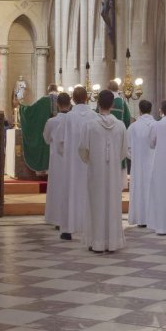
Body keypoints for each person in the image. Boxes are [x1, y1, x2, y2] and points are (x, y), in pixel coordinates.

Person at [78, 90, 128, 252]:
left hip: (96, 172)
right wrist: (112, 160)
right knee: (112, 205)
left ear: (98, 103)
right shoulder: (120, 126)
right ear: (112, 105)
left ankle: (97, 242)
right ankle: (112, 242)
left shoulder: (90, 125)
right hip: (113, 173)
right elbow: (123, 152)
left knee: (96, 204)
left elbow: (83, 150)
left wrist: (93, 160)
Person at [56, 86, 98, 241]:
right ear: (87, 98)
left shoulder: (68, 118)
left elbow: (59, 142)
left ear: (73, 99)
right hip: (90, 163)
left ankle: (67, 229)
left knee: (70, 192)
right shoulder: (94, 116)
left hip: (72, 165)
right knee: (88, 192)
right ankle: (90, 226)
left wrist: (67, 155)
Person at [146, 99, 166, 235]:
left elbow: (151, 143)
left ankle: (162, 226)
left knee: (160, 194)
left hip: (160, 164)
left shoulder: (156, 125)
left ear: (161, 110)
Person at [42, 92, 72, 229]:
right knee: (71, 188)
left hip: (56, 161)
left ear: (57, 105)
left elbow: (46, 139)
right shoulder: (74, 120)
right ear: (70, 104)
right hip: (72, 161)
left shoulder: (51, 121)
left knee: (57, 188)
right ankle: (71, 218)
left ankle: (57, 219)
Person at [125, 98, 155, 227]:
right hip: (153, 165)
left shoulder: (133, 126)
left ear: (140, 110)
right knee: (152, 190)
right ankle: (152, 218)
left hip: (138, 166)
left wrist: (135, 158)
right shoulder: (156, 125)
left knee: (139, 189)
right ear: (151, 109)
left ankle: (140, 218)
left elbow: (126, 148)